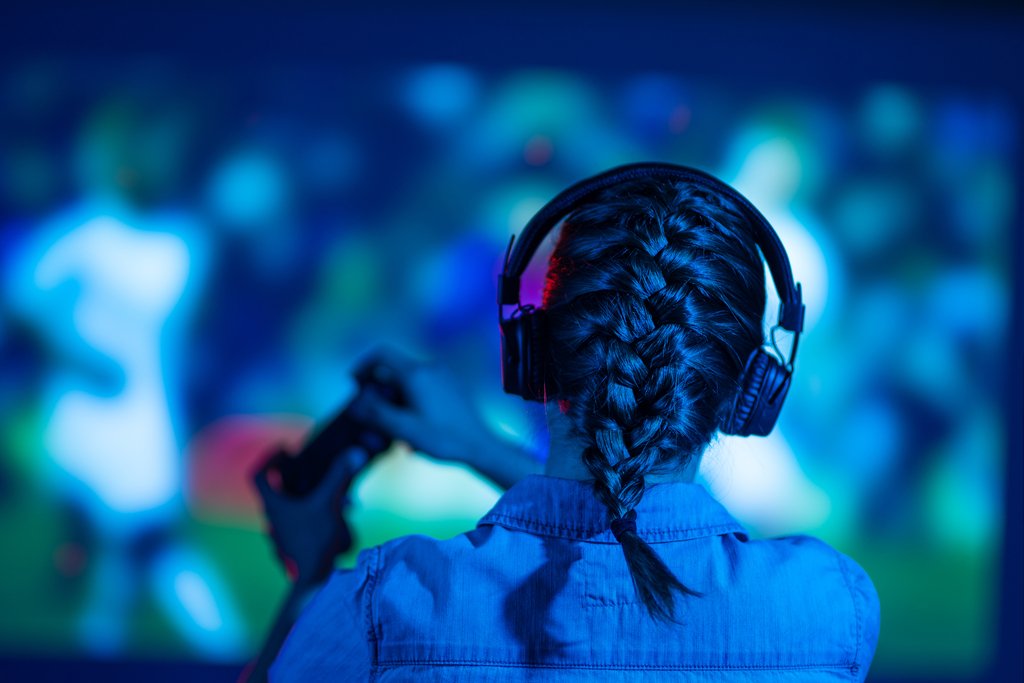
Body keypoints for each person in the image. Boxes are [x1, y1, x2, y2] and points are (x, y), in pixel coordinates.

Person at [266, 167, 881, 681]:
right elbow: (621, 530)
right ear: (752, 390)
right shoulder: (827, 607)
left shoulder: (382, 606)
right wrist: (480, 447)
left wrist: (309, 578)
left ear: (531, 355)